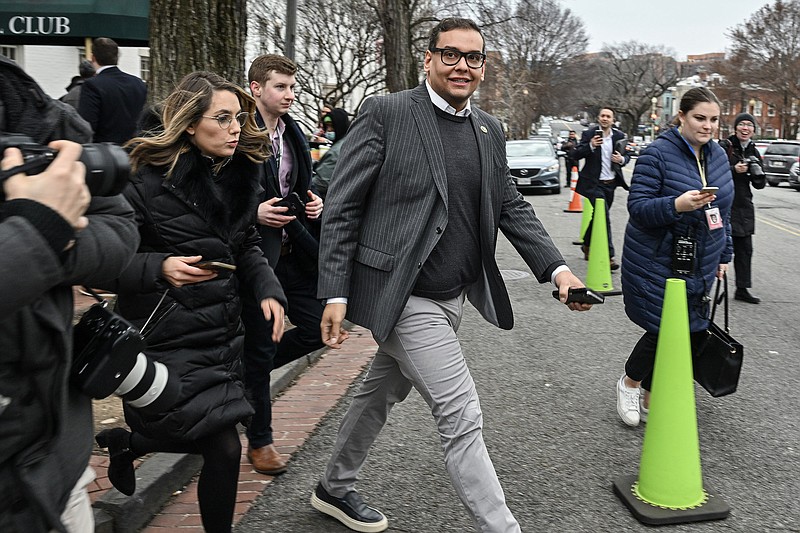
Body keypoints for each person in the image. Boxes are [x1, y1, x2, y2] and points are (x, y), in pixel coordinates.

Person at [311, 17, 592, 533]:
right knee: (461, 413)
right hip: (402, 295)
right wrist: (333, 290)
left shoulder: (488, 128)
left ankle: (333, 486)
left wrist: (558, 270)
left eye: (474, 57)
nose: (462, 65)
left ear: (483, 66)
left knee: (378, 395)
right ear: (429, 59)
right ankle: (502, 528)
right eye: (451, 54)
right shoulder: (387, 113)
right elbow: (342, 206)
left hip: (453, 295)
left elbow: (510, 204)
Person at [93, 71, 286, 533]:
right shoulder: (142, 178)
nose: (236, 127)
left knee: (212, 436)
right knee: (223, 446)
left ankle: (129, 442)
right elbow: (104, 263)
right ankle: (133, 443)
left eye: (238, 117)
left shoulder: (240, 174)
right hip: (164, 332)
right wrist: (159, 267)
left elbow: (246, 246)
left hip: (219, 332)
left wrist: (268, 290)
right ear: (188, 123)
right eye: (222, 118)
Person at [0, 56, 139, 533]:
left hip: (59, 459)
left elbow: (119, 226)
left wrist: (52, 238)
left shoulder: (32, 108)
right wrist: (35, 234)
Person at [616, 87, 733, 427]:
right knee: (662, 327)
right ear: (681, 116)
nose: (707, 126)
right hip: (657, 258)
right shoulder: (657, 154)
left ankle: (653, 393)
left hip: (702, 259)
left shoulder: (719, 156)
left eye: (713, 119)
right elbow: (638, 208)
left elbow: (722, 213)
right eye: (699, 118)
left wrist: (724, 254)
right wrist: (676, 205)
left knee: (688, 330)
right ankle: (629, 382)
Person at [242, 54, 325, 476]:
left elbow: (300, 184)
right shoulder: (237, 133)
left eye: (293, 88)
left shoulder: (294, 132)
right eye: (281, 87)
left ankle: (246, 374)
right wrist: (253, 214)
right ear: (256, 87)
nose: (290, 95)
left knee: (318, 329)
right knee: (258, 345)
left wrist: (314, 203)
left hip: (297, 252)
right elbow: (220, 197)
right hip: (258, 257)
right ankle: (260, 442)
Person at [573, 108, 630, 270]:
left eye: (608, 117)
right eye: (602, 116)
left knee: (598, 216)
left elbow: (627, 156)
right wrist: (590, 146)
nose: (605, 119)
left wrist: (621, 159)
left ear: (613, 120)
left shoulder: (619, 136)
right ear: (598, 118)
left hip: (610, 184)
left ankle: (587, 243)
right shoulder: (589, 134)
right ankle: (609, 255)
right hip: (593, 184)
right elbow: (575, 155)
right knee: (603, 217)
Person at [718, 112, 765, 304]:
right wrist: (733, 170)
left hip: (744, 206)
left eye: (749, 125)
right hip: (724, 203)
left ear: (753, 130)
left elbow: (760, 184)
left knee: (745, 249)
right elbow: (713, 172)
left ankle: (742, 288)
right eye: (742, 125)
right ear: (735, 128)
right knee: (714, 247)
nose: (745, 128)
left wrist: (755, 172)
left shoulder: (754, 151)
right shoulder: (724, 147)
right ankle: (699, 287)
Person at [78, 37, 147, 144]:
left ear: (93, 58)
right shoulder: (138, 83)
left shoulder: (92, 85)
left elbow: (86, 125)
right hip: (135, 149)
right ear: (117, 57)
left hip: (105, 153)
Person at [312, 107, 351, 199]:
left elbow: (322, 182)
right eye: (327, 126)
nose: (329, 130)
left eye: (332, 126)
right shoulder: (347, 142)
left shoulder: (336, 151)